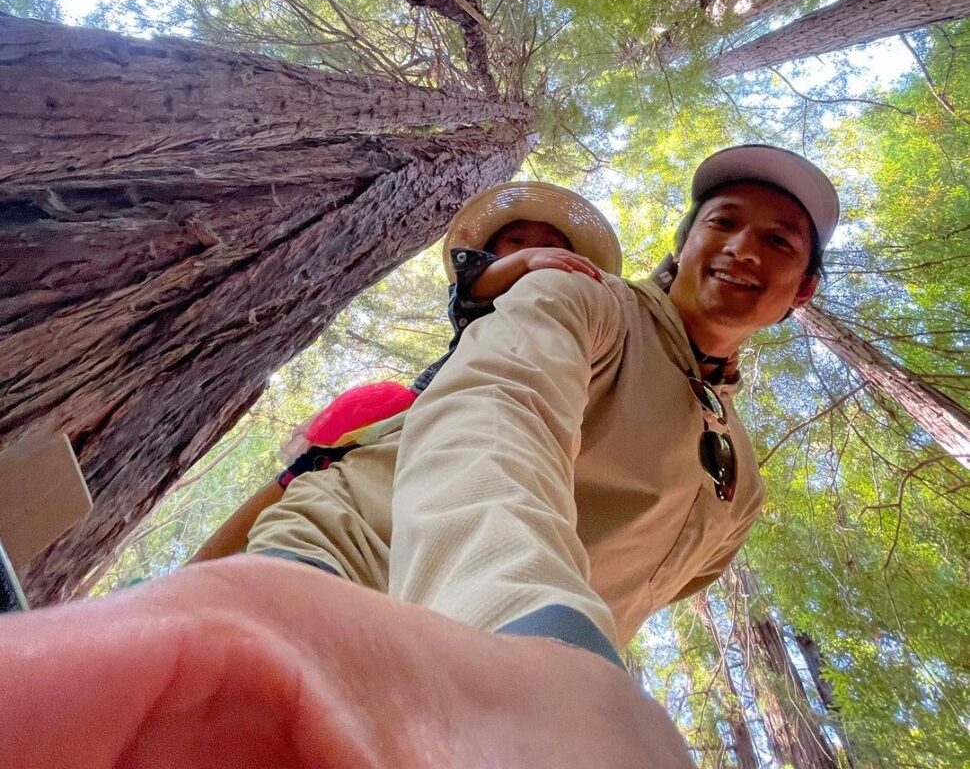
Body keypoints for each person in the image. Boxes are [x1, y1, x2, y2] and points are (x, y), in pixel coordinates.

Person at [0, 144, 838, 768]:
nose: (743, 248)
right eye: (722, 223)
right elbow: (495, 414)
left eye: (779, 241)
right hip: (368, 548)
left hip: (508, 696)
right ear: (683, 244)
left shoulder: (742, 488)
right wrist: (537, 631)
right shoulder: (587, 303)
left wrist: (573, 689)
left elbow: (634, 591)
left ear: (802, 292)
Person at [189, 181, 623, 562]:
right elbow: (476, 283)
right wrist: (528, 264)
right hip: (428, 403)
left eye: (552, 244)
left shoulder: (581, 321)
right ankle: (201, 570)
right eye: (518, 240)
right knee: (308, 478)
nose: (534, 248)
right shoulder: (484, 295)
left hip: (511, 420)